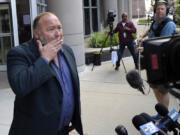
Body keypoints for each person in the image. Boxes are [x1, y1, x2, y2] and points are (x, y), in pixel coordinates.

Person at [7, 12, 83, 135]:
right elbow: (20, 86)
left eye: (59, 27)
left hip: (63, 130)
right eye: (51, 29)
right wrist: (44, 59)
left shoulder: (67, 51)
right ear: (37, 34)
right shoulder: (19, 53)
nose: (58, 33)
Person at [137, 0, 176, 119]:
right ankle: (161, 112)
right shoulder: (156, 21)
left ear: (166, 10)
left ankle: (165, 115)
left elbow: (162, 45)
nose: (159, 11)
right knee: (154, 86)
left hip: (162, 63)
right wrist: (142, 36)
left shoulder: (169, 24)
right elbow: (151, 29)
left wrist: (145, 49)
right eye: (157, 9)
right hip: (152, 60)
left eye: (162, 9)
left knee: (162, 89)